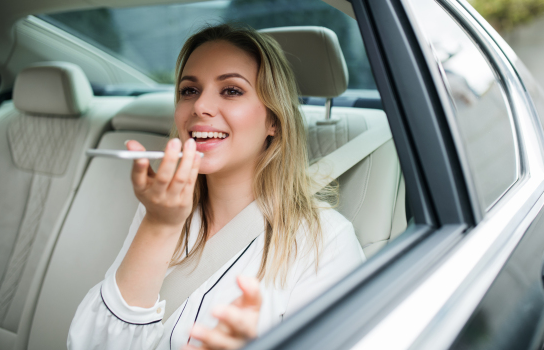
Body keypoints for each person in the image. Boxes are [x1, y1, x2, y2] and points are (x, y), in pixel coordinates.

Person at [68, 24, 365, 350]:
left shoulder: (325, 242)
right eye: (189, 91)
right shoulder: (160, 210)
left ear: (274, 121)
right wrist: (159, 226)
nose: (200, 107)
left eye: (232, 91)